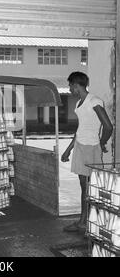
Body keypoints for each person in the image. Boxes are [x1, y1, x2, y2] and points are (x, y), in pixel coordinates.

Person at [61, 72, 113, 233]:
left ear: (77, 85)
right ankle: (83, 221)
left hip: (90, 148)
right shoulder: (79, 103)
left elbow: (108, 127)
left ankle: (87, 222)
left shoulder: (94, 101)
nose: (70, 89)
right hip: (80, 146)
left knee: (89, 188)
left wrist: (102, 142)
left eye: (70, 86)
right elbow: (80, 129)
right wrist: (68, 150)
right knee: (84, 187)